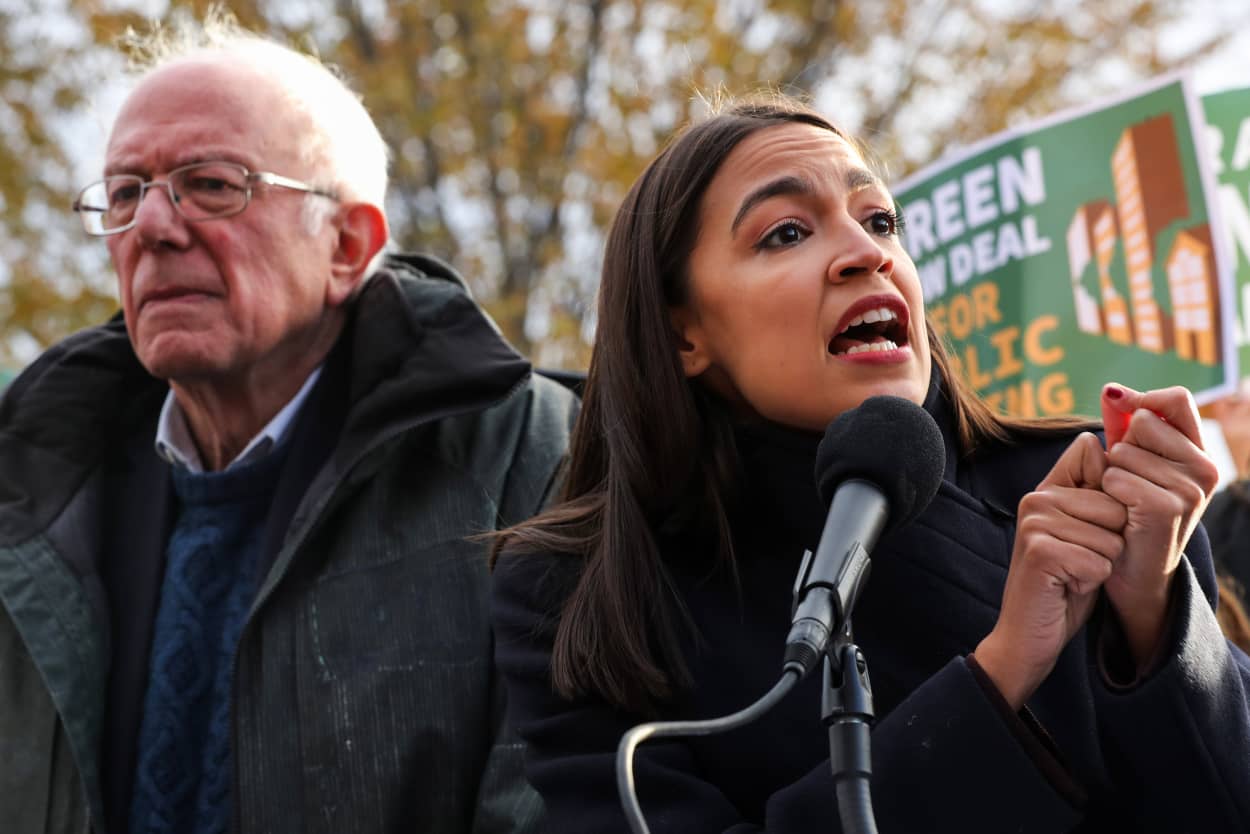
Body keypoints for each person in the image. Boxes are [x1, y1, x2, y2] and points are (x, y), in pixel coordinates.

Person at [491, 96, 1250, 832]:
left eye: (880, 219)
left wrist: (1155, 618)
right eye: (786, 234)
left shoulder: (1084, 486)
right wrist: (1000, 673)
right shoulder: (578, 595)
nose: (867, 253)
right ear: (683, 333)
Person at [0, 17, 575, 834]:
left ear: (347, 244)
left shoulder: (533, 461)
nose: (154, 229)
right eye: (125, 194)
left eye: (211, 184)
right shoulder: (33, 493)